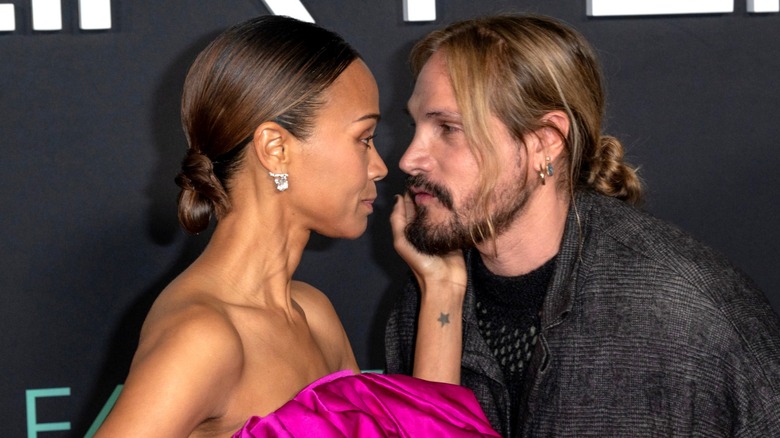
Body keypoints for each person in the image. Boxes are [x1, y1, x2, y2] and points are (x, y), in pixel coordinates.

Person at [96, 15, 498, 437]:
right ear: (276, 149)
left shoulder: (313, 315)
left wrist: (441, 287)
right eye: (364, 138)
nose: (380, 167)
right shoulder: (203, 338)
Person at [385, 13, 780, 437]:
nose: (409, 159)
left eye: (448, 128)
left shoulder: (686, 315)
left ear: (545, 142)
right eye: (415, 125)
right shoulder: (427, 297)